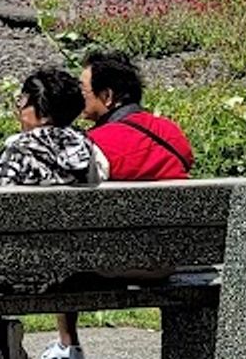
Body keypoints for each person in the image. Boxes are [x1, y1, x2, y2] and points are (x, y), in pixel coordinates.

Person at [39, 54, 195, 359]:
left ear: (107, 96)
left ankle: (67, 344)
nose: (76, 96)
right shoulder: (172, 134)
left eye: (82, 91)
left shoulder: (96, 143)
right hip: (166, 260)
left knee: (62, 242)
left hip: (113, 261)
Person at [0, 68, 108, 359]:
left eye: (21, 102)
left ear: (38, 108)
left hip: (14, 271)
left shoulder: (17, 148)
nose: (18, 110)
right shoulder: (88, 148)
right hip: (72, 270)